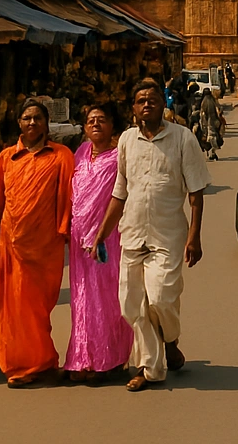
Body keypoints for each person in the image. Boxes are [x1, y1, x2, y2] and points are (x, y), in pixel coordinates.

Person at [92, 79, 210, 392]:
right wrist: (101, 234)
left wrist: (195, 237)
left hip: (168, 235)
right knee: (132, 305)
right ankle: (151, 367)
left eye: (153, 100)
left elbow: (196, 193)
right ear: (133, 107)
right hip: (131, 233)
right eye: (141, 100)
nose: (147, 105)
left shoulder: (183, 138)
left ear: (163, 104)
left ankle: (170, 341)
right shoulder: (127, 141)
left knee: (160, 298)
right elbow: (120, 192)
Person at [0, 98, 74, 387]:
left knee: (38, 308)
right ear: (18, 123)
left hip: (47, 246)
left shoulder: (60, 155)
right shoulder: (7, 157)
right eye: (27, 118)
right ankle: (21, 366)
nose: (32, 123)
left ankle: (41, 362)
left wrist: (69, 235)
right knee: (13, 307)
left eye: (38, 118)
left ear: (47, 124)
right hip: (12, 245)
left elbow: (71, 197)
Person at [65, 103, 133, 381]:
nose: (95, 124)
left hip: (109, 238)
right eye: (91, 120)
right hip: (79, 238)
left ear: (112, 126)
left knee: (107, 299)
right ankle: (82, 358)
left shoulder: (119, 157)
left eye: (102, 120)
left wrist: (101, 232)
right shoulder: (80, 154)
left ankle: (109, 359)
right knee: (81, 299)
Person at [199, 88, 222, 160]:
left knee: (208, 138)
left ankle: (211, 153)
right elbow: (219, 109)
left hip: (207, 123)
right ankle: (213, 152)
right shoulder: (213, 100)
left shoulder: (203, 102)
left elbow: (202, 114)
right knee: (214, 137)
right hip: (215, 122)